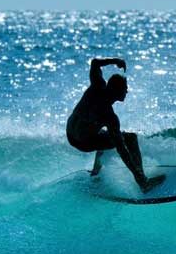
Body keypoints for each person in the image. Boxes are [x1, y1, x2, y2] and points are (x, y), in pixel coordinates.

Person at [66, 57, 165, 192]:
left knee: (103, 135)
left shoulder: (97, 86)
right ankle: (143, 182)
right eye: (125, 88)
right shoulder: (109, 117)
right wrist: (136, 172)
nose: (127, 91)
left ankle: (96, 173)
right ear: (117, 91)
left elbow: (95, 63)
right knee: (130, 138)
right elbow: (122, 150)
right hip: (84, 143)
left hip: (71, 134)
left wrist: (114, 61)